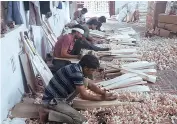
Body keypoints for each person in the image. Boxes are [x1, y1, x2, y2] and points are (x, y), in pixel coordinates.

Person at [41, 55, 117, 124]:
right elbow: (84, 95)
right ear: (86, 68)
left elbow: (90, 84)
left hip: (59, 97)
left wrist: (103, 93)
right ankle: (49, 114)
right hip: (52, 101)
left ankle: (62, 107)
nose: (93, 73)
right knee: (80, 120)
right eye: (92, 70)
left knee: (85, 81)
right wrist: (102, 98)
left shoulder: (76, 67)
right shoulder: (76, 73)